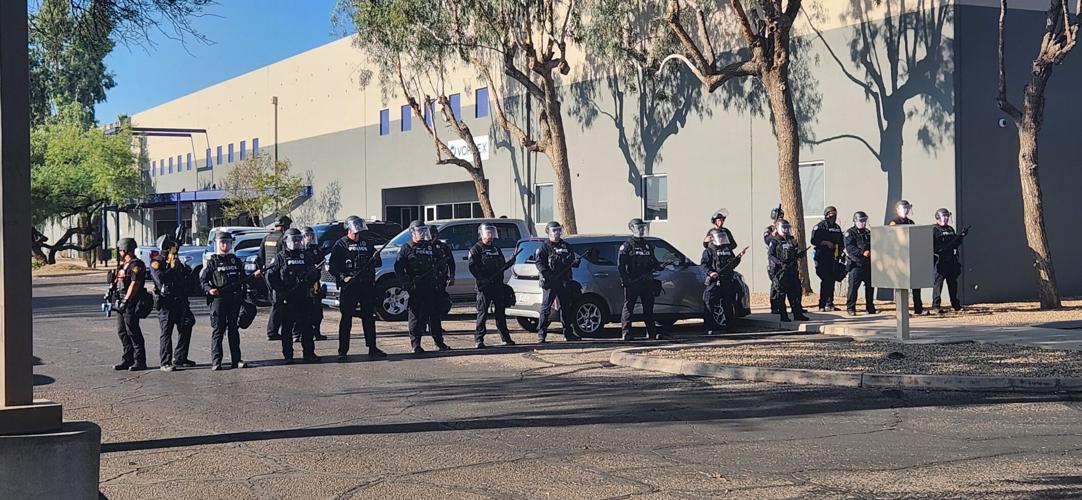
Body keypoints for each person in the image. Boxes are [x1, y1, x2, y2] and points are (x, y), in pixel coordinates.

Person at [329, 216, 386, 361]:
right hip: (349, 287)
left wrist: (375, 258)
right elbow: (333, 267)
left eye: (358, 230)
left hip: (365, 286)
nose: (356, 233)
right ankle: (342, 351)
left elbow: (377, 263)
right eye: (354, 230)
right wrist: (343, 276)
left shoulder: (366, 243)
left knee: (369, 318)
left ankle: (372, 348)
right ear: (348, 229)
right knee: (346, 318)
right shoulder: (340, 244)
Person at [395, 221, 452, 353]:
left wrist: (439, 276)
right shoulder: (406, 248)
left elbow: (442, 263)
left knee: (435, 316)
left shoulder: (431, 247)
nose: (422, 234)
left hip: (431, 287)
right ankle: (416, 345)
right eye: (419, 231)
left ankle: (439, 342)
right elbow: (398, 268)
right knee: (415, 316)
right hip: (416, 287)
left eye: (423, 231)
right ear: (412, 233)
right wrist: (407, 282)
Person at [201, 231, 255, 370]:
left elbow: (243, 279)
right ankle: (216, 361)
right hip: (218, 299)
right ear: (217, 244)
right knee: (218, 331)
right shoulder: (213, 261)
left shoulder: (235, 260)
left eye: (228, 242)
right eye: (222, 242)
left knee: (233, 330)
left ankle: (236, 360)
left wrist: (253, 277)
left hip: (234, 299)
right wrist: (209, 289)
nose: (225, 245)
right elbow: (203, 280)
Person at [267, 228, 321, 364]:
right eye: (294, 240)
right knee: (287, 328)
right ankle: (288, 355)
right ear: (286, 241)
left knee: (307, 326)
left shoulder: (306, 256)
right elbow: (271, 277)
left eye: (298, 239)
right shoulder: (280, 257)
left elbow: (315, 273)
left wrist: (311, 277)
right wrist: (280, 291)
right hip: (288, 298)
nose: (297, 242)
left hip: (303, 297)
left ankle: (309, 353)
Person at [149, 233, 195, 372]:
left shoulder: (177, 261)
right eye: (172, 246)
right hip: (166, 302)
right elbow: (160, 278)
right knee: (166, 331)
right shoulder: (157, 261)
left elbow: (186, 280)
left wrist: (183, 269)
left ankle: (180, 357)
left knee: (187, 323)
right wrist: (172, 268)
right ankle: (165, 362)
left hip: (180, 300)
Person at [468, 223, 519, 348]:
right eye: (488, 232)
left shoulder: (496, 249)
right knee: (482, 313)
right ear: (482, 234)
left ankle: (505, 338)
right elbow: (472, 267)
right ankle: (479, 339)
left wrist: (510, 263)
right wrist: (482, 279)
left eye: (492, 232)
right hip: (484, 287)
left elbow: (501, 266)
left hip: (497, 285)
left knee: (500, 313)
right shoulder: (476, 249)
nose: (490, 235)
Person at [618, 218, 669, 340]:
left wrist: (660, 266)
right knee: (629, 307)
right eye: (638, 228)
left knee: (648, 308)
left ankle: (651, 332)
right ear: (632, 229)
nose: (641, 230)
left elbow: (653, 262)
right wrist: (625, 280)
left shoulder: (647, 245)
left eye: (642, 227)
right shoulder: (627, 246)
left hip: (647, 281)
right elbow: (620, 265)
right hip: (633, 282)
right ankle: (626, 332)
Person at [535, 221, 582, 343]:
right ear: (548, 232)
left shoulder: (566, 246)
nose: (557, 233)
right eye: (554, 230)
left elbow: (572, 260)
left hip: (564, 281)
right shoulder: (544, 247)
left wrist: (575, 262)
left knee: (566, 308)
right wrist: (547, 275)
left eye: (558, 230)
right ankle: (541, 334)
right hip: (550, 282)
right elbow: (539, 263)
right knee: (545, 308)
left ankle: (568, 333)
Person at [111, 237, 148, 371]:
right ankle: (127, 359)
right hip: (120, 301)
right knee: (122, 331)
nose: (119, 252)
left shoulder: (136, 265)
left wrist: (126, 300)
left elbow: (134, 284)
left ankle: (140, 361)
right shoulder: (123, 265)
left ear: (125, 250)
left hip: (131, 302)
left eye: (120, 250)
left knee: (132, 330)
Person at [701, 229, 748, 334]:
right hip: (715, 280)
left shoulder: (727, 250)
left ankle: (730, 326)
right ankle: (709, 326)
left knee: (728, 302)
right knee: (708, 300)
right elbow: (704, 265)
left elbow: (732, 264)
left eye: (723, 237)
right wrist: (710, 273)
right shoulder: (709, 250)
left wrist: (739, 257)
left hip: (727, 279)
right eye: (719, 237)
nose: (722, 239)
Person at [767, 219, 810, 322]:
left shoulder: (791, 240)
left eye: (787, 228)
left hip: (792, 270)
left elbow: (794, 252)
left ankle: (797, 314)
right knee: (781, 294)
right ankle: (784, 315)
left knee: (795, 293)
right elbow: (771, 255)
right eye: (784, 228)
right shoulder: (774, 241)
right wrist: (779, 263)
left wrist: (799, 254)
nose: (786, 230)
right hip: (780, 271)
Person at [888, 200, 925, 315]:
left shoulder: (911, 222)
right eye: (904, 208)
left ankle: (918, 308)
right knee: (901, 286)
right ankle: (902, 310)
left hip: (911, 257)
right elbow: (891, 240)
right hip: (900, 258)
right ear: (898, 209)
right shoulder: (894, 222)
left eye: (907, 208)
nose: (906, 210)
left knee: (916, 284)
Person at [260, 215, 292, 341]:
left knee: (275, 303)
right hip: (279, 276)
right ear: (285, 226)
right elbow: (285, 257)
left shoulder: (267, 237)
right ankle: (272, 331)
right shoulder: (283, 238)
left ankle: (273, 331)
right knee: (278, 304)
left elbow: (260, 257)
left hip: (268, 274)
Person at [932, 208, 968, 313]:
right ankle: (936, 306)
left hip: (951, 260)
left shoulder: (950, 229)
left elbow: (955, 244)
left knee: (953, 283)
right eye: (944, 216)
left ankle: (955, 305)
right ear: (938, 217)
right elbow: (935, 246)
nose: (947, 218)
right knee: (938, 284)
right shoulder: (934, 229)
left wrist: (960, 237)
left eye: (948, 216)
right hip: (940, 260)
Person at [810, 206, 846, 312]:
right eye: (830, 213)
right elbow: (814, 240)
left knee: (832, 280)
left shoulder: (837, 227)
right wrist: (825, 242)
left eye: (834, 213)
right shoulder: (820, 226)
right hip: (822, 257)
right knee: (826, 280)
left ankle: (830, 303)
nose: (832, 215)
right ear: (826, 214)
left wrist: (840, 251)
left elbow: (841, 241)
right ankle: (822, 304)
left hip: (834, 257)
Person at [844, 211, 877, 316]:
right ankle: (851, 308)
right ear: (855, 221)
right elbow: (850, 248)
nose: (863, 223)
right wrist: (862, 252)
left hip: (867, 264)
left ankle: (870, 307)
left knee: (870, 287)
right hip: (856, 265)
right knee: (853, 287)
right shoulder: (850, 233)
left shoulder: (867, 232)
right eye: (861, 220)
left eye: (864, 220)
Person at [300, 226, 329, 342]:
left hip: (315, 283)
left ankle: (316, 332)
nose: (309, 238)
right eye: (307, 236)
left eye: (311, 236)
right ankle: (298, 334)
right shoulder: (299, 251)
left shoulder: (316, 249)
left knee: (317, 311)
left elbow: (322, 260)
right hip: (303, 285)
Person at [429, 225, 455, 339]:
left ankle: (436, 326)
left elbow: (451, 262)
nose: (433, 237)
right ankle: (425, 325)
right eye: (431, 235)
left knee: (439, 304)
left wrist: (452, 275)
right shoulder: (425, 246)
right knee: (426, 305)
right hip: (428, 281)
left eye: (434, 234)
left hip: (441, 279)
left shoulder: (442, 246)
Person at [764, 206, 784, 313]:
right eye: (778, 215)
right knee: (776, 283)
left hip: (784, 259)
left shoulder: (784, 227)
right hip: (773, 260)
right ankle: (774, 306)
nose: (780, 217)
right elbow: (767, 240)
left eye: (782, 215)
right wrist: (773, 233)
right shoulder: (769, 229)